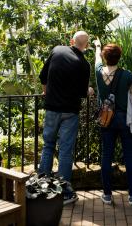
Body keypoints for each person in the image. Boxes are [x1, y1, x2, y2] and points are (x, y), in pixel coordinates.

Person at [39, 31, 93, 205]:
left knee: (48, 145)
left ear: (71, 41)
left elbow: (43, 75)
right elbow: (81, 92)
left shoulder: (57, 50)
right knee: (65, 150)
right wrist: (89, 91)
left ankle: (41, 185)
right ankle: (63, 192)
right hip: (70, 111)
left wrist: (46, 92)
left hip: (52, 107)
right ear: (86, 46)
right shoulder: (85, 65)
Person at [94, 38, 132, 206]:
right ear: (119, 57)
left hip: (106, 119)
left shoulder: (99, 72)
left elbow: (97, 60)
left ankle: (107, 194)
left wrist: (97, 46)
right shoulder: (127, 75)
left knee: (106, 155)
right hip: (124, 119)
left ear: (105, 57)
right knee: (129, 156)